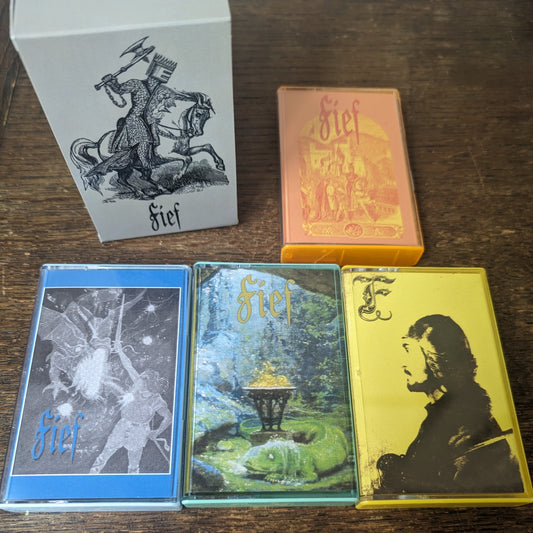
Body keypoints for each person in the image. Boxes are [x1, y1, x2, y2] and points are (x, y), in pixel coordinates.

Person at [377, 314, 523, 494]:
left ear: (436, 360)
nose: (403, 364)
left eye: (408, 350)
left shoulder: (465, 428)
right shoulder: (439, 417)